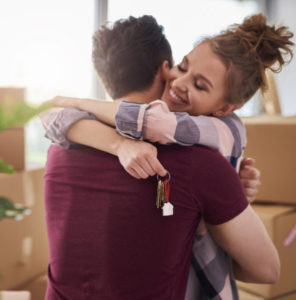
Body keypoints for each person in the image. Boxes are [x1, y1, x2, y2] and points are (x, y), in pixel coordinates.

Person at [43, 14, 288, 299]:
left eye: (200, 84)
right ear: (165, 69)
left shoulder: (60, 146)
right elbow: (266, 271)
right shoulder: (202, 165)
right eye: (182, 67)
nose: (180, 82)